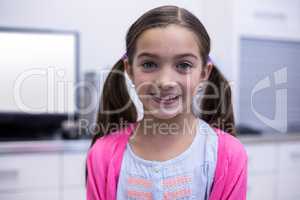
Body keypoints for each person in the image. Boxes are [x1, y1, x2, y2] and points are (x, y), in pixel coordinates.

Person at [86, 5, 247, 200]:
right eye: (149, 64)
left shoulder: (228, 154)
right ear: (129, 70)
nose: (165, 81)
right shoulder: (102, 155)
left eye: (183, 65)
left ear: (204, 73)